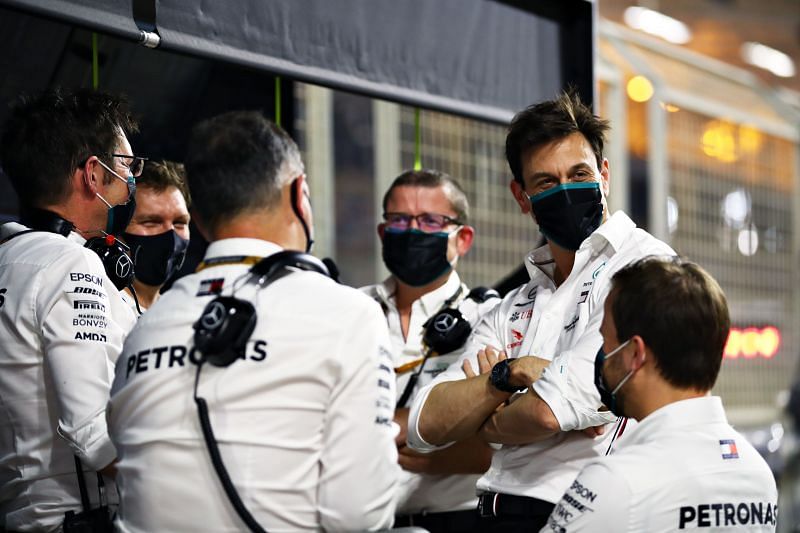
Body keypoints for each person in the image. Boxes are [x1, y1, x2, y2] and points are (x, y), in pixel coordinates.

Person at [108, 111, 398, 532]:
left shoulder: (146, 325)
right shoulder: (350, 315)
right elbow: (358, 516)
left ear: (201, 220)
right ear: (300, 194)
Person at [406, 91, 676, 531]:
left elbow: (553, 408)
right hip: (494, 516)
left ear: (603, 176)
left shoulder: (646, 266)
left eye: (579, 174)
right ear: (522, 195)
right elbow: (426, 424)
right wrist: (510, 375)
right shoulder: (516, 302)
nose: (566, 190)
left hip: (589, 515)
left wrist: (484, 418)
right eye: (547, 183)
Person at [542, 256, 778, 532]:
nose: (602, 357)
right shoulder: (757, 474)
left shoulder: (616, 483)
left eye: (605, 341)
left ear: (635, 354)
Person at [0, 88, 140, 531]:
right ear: (93, 175)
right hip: (76, 519)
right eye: (126, 166)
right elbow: (91, 428)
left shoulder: (11, 257)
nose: (132, 181)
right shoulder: (69, 261)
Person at [361, 169, 499, 531]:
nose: (412, 231)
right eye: (399, 219)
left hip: (456, 521)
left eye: (430, 221)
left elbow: (499, 435)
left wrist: (446, 453)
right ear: (382, 232)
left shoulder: (490, 318)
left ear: (463, 239)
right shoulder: (351, 310)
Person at [122, 160, 191, 311]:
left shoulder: (183, 314)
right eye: (151, 222)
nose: (170, 234)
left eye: (179, 223)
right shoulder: (100, 306)